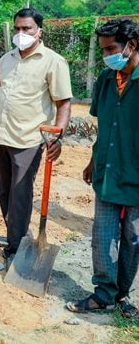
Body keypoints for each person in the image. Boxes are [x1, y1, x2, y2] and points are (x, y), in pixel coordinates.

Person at [0, 8, 72, 269]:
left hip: (28, 140)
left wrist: (57, 136)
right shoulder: (5, 60)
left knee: (20, 193)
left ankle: (16, 249)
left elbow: (63, 103)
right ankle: (14, 234)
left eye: (26, 28)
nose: (21, 33)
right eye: (17, 28)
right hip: (2, 136)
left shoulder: (53, 61)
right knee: (5, 191)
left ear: (39, 30)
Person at [66, 19, 139, 318]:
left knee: (133, 238)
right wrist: (93, 160)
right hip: (107, 171)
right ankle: (103, 294)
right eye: (103, 50)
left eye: (111, 49)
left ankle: (122, 294)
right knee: (103, 234)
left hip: (135, 175)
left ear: (131, 45)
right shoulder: (106, 80)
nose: (107, 56)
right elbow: (105, 127)